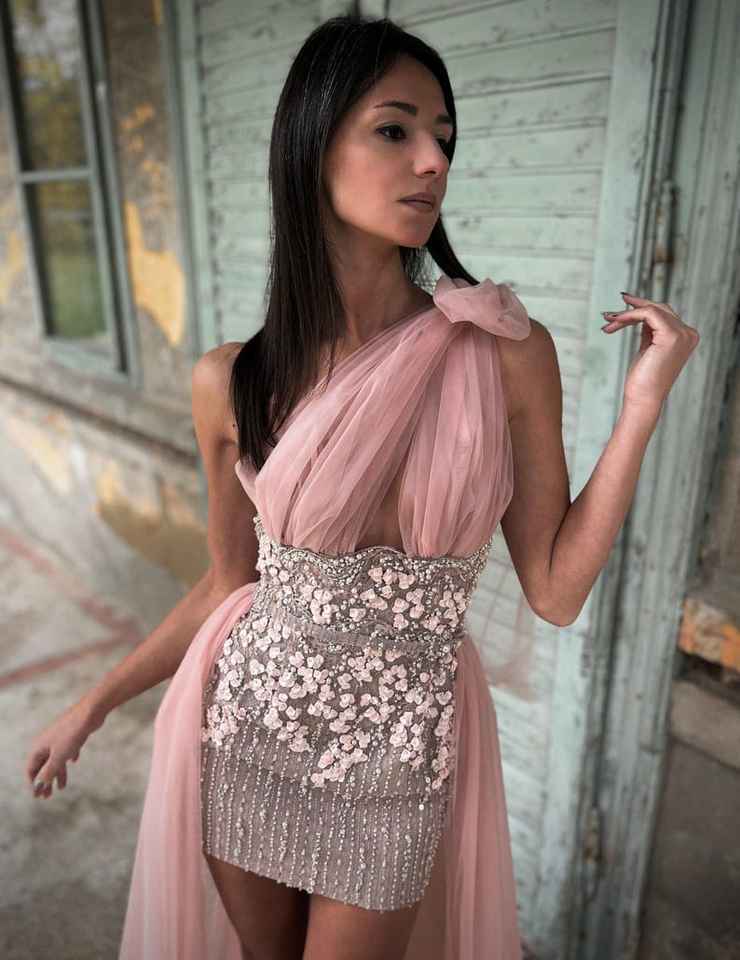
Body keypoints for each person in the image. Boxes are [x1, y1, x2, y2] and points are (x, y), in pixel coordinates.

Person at [24, 13, 699, 960]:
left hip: (399, 759)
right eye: (395, 130)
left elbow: (554, 591)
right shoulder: (232, 379)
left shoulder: (505, 354)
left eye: (444, 138)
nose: (433, 161)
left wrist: (642, 407)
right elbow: (227, 583)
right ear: (312, 149)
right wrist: (93, 704)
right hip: (251, 724)